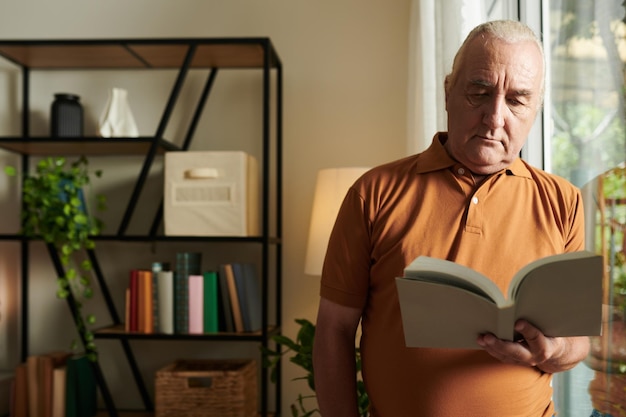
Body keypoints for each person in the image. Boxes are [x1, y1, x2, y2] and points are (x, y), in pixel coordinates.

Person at [312, 19, 591, 417]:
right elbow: (334, 330)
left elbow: (576, 342)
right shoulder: (373, 192)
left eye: (517, 100)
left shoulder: (563, 201)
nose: (495, 118)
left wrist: (554, 350)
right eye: (479, 92)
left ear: (535, 109)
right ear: (448, 91)